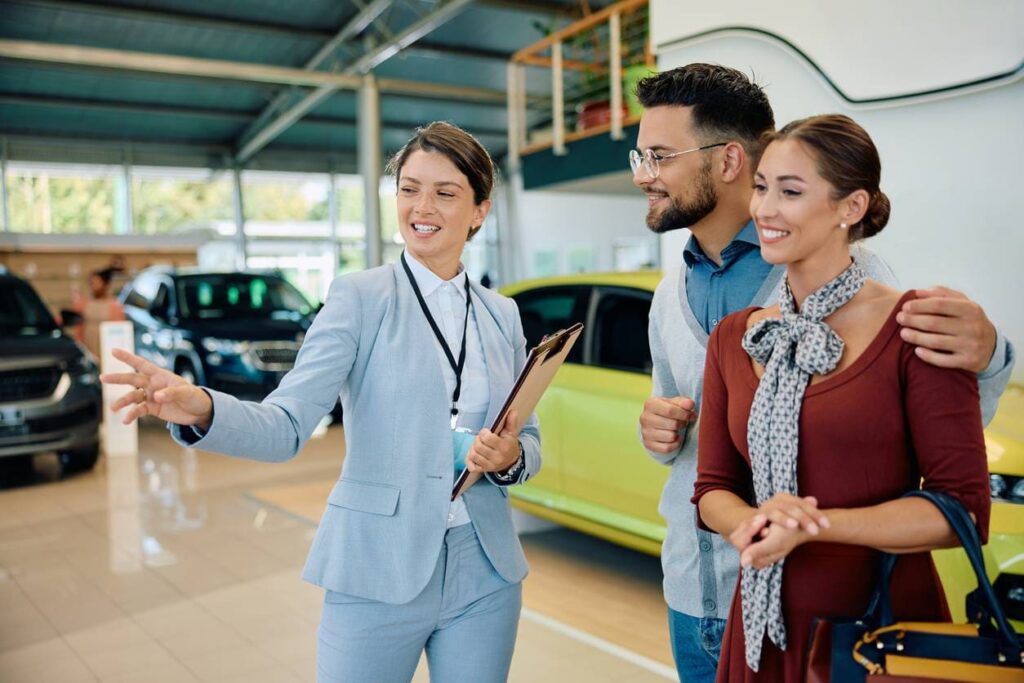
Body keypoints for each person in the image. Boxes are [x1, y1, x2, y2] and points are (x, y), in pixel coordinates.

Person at [100, 122, 540, 683]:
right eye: (408, 188)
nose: (420, 206)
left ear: (479, 209)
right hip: (377, 567)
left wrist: (509, 459)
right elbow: (286, 426)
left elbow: (529, 436)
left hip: (486, 569)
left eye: (444, 192)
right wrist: (205, 408)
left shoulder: (501, 315)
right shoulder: (359, 298)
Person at [632, 65, 1014, 682]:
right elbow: (706, 478)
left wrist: (994, 350)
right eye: (766, 189)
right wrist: (656, 432)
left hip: (862, 618)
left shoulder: (890, 297)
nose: (645, 174)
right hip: (710, 595)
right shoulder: (686, 305)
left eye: (659, 155)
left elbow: (946, 439)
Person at [74, 266, 125, 358]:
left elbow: (119, 331)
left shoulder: (114, 305)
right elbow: (79, 326)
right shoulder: (84, 303)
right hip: (88, 343)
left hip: (106, 344)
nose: (94, 286)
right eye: (92, 283)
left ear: (105, 284)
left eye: (97, 283)